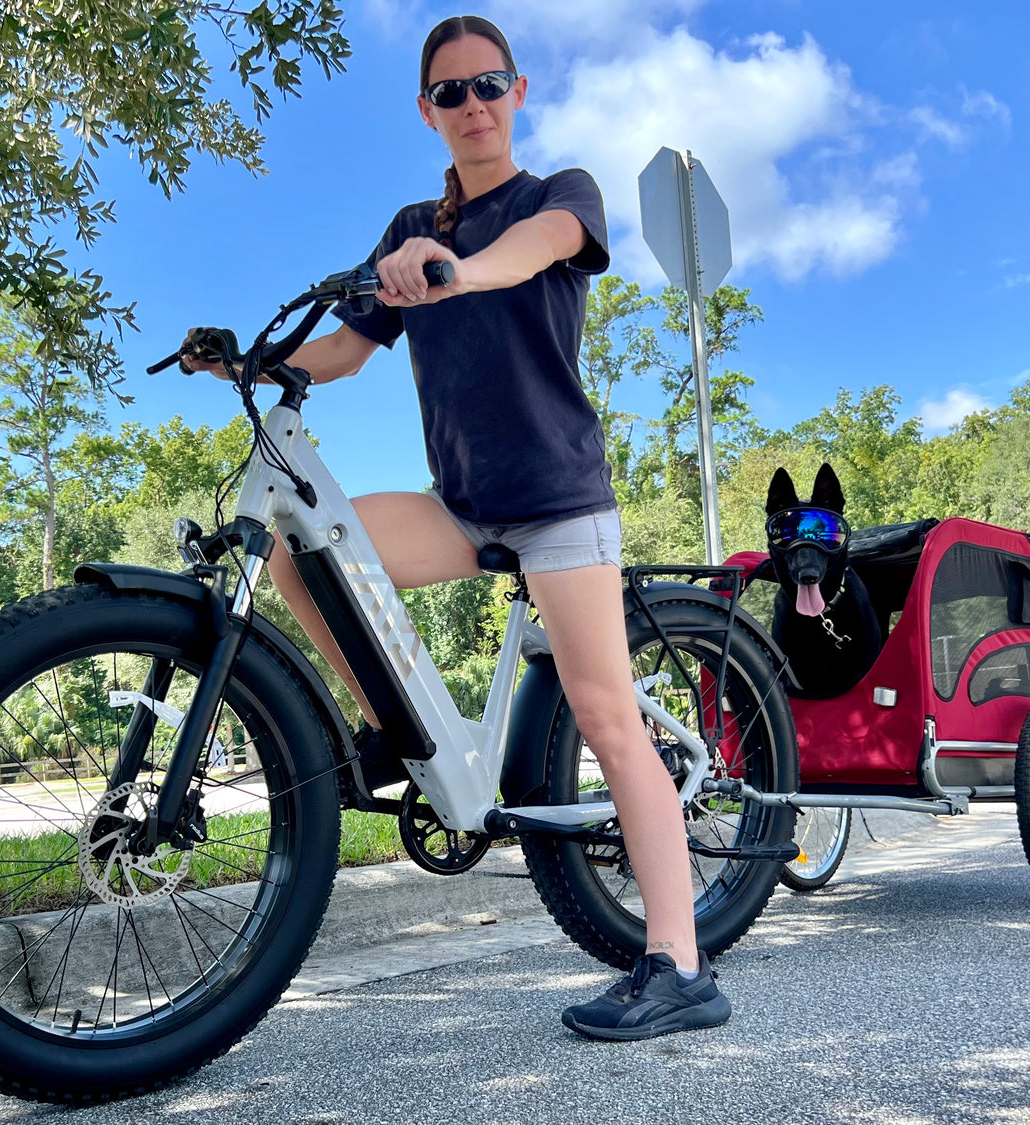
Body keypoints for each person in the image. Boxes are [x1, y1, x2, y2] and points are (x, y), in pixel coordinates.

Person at [187, 14, 729, 1041]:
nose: (473, 105)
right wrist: (260, 367)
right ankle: (395, 729)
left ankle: (680, 965)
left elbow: (534, 253)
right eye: (452, 93)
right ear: (428, 112)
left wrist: (457, 267)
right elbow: (349, 345)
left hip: (560, 499)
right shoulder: (408, 222)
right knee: (312, 547)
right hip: (465, 503)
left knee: (608, 721)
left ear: (517, 94)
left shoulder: (558, 196)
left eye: (490, 86)